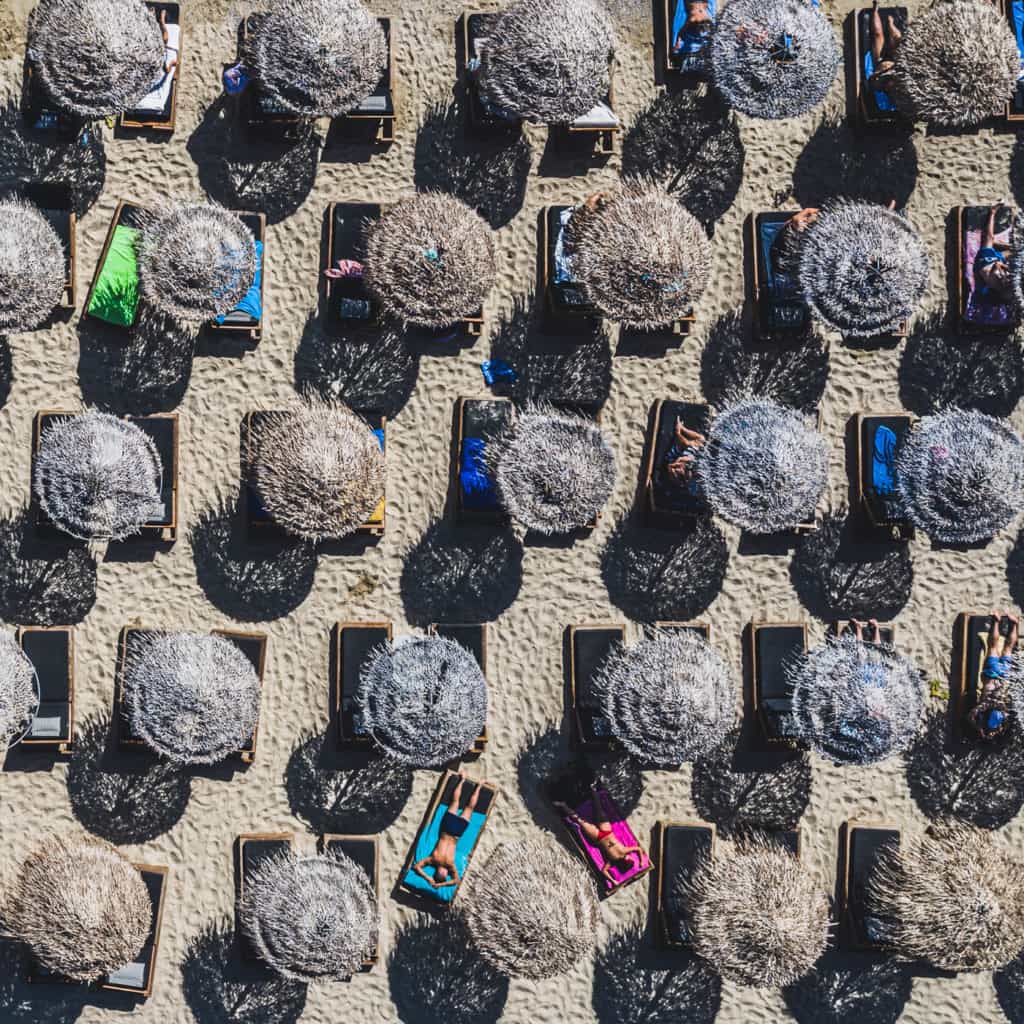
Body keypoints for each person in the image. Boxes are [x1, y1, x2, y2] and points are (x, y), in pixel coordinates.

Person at [555, 785, 646, 881]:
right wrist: (613, 881)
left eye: (630, 860)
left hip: (603, 834)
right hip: (601, 836)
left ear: (627, 860)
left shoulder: (621, 854)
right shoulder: (615, 859)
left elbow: (638, 849)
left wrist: (640, 861)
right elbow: (604, 871)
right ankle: (566, 804)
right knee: (586, 817)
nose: (631, 858)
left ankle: (588, 791)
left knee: (590, 814)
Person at [411, 773, 481, 889]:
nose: (447, 874)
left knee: (467, 807)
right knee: (456, 802)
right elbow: (417, 867)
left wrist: (433, 880)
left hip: (456, 832)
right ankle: (463, 780)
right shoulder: (437, 861)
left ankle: (478, 785)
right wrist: (433, 880)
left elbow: (455, 881)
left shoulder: (441, 862)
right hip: (448, 829)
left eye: (445, 875)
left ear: (441, 873)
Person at [967, 610, 1017, 742]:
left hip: (1003, 677)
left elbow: (972, 716)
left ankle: (1013, 624)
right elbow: (971, 716)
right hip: (992, 674)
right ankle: (996, 620)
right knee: (993, 647)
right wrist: (980, 728)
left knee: (1007, 649)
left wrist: (984, 729)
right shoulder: (984, 708)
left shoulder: (1002, 713)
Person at [974, 204, 1013, 303]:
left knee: (989, 237)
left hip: (986, 261)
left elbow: (997, 264)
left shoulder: (996, 281)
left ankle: (992, 212)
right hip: (997, 259)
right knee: (1015, 251)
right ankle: (998, 243)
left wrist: (1007, 268)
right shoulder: (1004, 284)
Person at [662, 417, 705, 502]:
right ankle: (681, 428)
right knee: (700, 440)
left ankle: (680, 429)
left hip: (678, 458)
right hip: (686, 461)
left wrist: (678, 433)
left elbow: (670, 466)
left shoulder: (684, 470)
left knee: (691, 443)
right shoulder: (690, 463)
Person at [867, 0, 902, 96]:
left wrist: (879, 73)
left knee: (877, 34)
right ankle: (890, 24)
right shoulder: (899, 81)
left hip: (880, 60)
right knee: (898, 39)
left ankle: (875, 10)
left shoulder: (878, 85)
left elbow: (871, 78)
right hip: (894, 59)